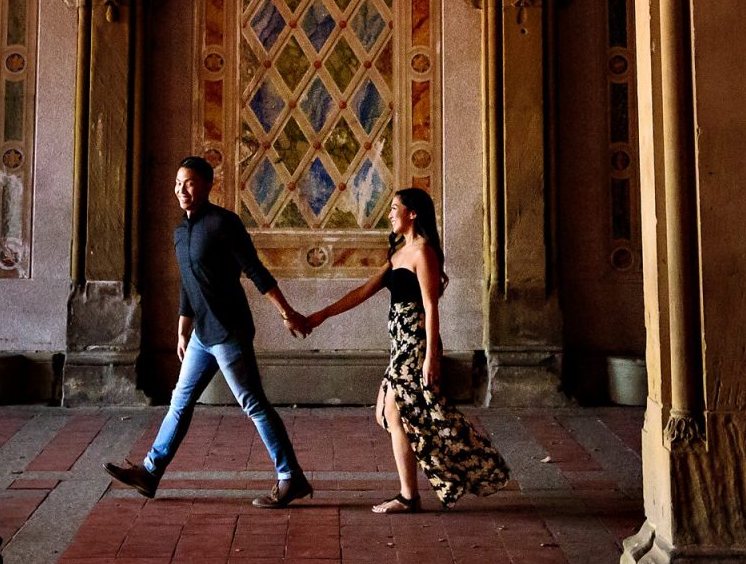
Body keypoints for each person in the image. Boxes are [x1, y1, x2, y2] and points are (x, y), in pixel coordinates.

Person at [105, 156, 315, 509]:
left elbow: (255, 271)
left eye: (188, 183)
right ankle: (150, 472)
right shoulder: (180, 232)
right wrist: (181, 331)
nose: (181, 190)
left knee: (254, 405)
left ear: (206, 185)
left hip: (230, 331)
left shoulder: (223, 224)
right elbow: (189, 285)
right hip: (202, 334)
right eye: (177, 184)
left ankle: (290, 476)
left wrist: (288, 313)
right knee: (179, 403)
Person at [294, 187, 510, 512]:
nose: (390, 214)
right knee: (387, 414)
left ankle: (409, 496)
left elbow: (430, 307)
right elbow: (361, 292)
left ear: (413, 213)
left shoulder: (423, 252)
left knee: (395, 414)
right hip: (399, 345)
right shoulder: (398, 254)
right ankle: (445, 459)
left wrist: (431, 358)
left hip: (415, 344)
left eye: (396, 208)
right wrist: (318, 316)